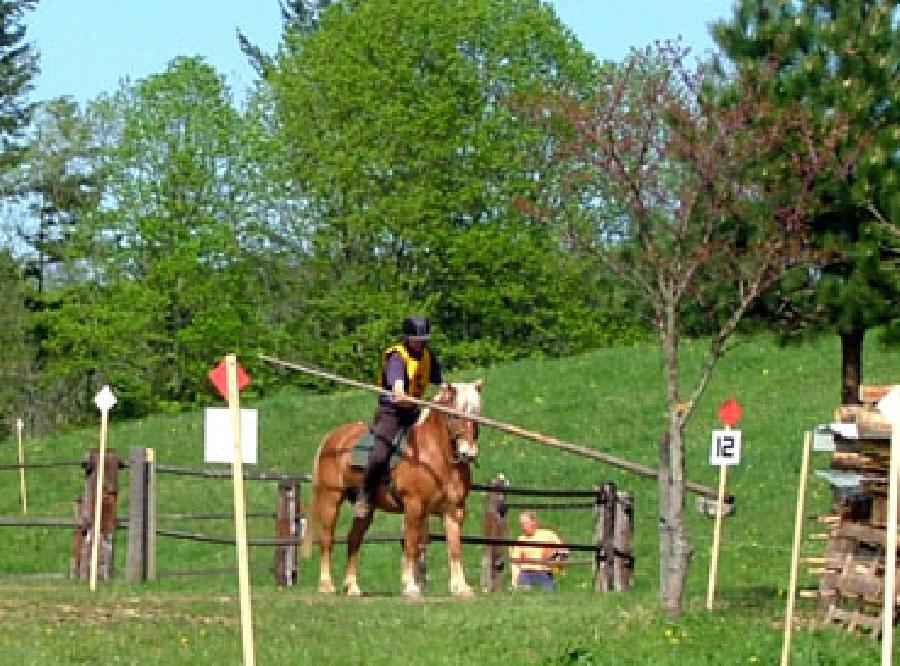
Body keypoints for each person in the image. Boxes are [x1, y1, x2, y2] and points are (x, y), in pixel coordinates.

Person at [355, 315, 443, 519]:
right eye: (417, 340)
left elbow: (441, 382)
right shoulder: (397, 357)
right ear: (408, 338)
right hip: (392, 411)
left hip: (415, 410)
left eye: (424, 340)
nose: (420, 344)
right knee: (379, 453)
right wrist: (400, 393)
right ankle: (365, 495)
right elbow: (397, 387)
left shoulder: (429, 357)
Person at [509, 511, 568, 591]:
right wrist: (514, 581)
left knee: (546, 594)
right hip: (526, 573)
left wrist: (555, 566)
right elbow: (515, 562)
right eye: (521, 524)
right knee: (525, 593)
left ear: (534, 522)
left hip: (544, 572)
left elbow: (563, 551)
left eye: (525, 523)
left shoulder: (547, 535)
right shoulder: (521, 539)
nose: (523, 527)